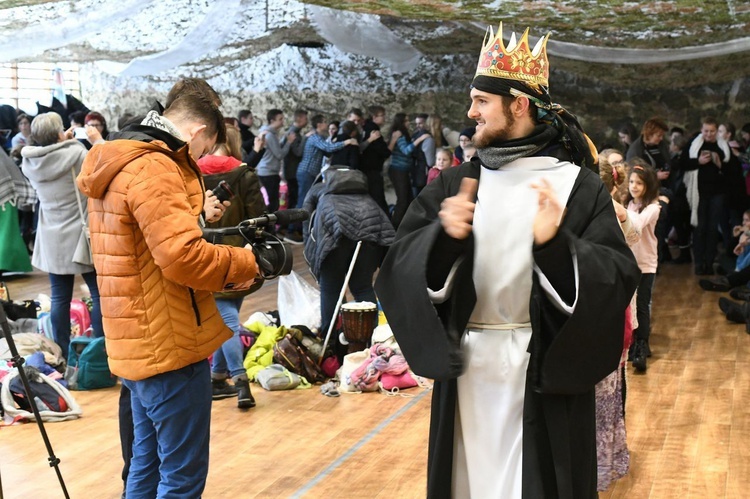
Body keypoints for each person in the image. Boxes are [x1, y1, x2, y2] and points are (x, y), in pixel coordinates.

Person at [374, 23, 640, 498]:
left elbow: (616, 279)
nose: (470, 111)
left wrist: (557, 248)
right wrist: (444, 244)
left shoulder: (579, 188)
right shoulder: (454, 185)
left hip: (544, 378)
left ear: (519, 104)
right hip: (469, 374)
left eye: (482, 101)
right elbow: (397, 268)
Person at [77, 83, 259, 498]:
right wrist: (249, 262)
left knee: (147, 463)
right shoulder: (154, 166)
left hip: (138, 337)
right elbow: (183, 258)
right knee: (181, 476)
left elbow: (145, 248)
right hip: (168, 341)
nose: (196, 161)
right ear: (196, 133)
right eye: (202, 151)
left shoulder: (121, 157)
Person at [21, 112, 104, 359]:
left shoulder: (30, 162)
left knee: (59, 298)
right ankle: (100, 350)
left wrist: (59, 141)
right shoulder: (77, 153)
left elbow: (51, 154)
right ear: (59, 133)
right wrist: (79, 142)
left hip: (51, 236)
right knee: (98, 292)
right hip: (81, 233)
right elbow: (100, 170)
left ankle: (63, 354)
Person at [198, 126, 265, 409]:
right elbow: (258, 219)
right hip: (240, 255)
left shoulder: (193, 171)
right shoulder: (246, 175)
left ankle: (216, 379)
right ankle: (241, 383)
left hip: (205, 253)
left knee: (228, 318)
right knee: (229, 320)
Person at [302, 166, 395, 350]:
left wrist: (310, 250)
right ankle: (370, 339)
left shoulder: (317, 189)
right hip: (368, 237)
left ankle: (333, 342)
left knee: (331, 289)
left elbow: (306, 218)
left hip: (334, 240)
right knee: (362, 287)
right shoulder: (363, 193)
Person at [595, 151, 639, 491]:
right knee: (612, 391)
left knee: (607, 392)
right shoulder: (618, 212)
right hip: (618, 308)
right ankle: (611, 455)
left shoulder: (609, 213)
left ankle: (603, 460)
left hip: (611, 310)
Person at [624, 161, 661, 373]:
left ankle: (642, 344)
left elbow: (637, 223)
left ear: (648, 185)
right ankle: (631, 342)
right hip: (629, 262)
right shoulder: (628, 205)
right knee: (630, 305)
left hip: (646, 263)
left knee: (643, 304)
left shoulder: (653, 208)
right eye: (631, 182)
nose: (634, 186)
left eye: (639, 182)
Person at [256, 109, 296, 214]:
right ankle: (270, 228)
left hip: (266, 171)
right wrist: (289, 142)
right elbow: (279, 155)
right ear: (272, 120)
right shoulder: (270, 135)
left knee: (270, 202)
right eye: (280, 119)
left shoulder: (270, 133)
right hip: (269, 172)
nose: (283, 121)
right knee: (273, 203)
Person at [359, 106, 390, 213]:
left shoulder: (366, 128)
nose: (384, 118)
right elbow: (383, 151)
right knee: (378, 198)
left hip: (368, 168)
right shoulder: (373, 130)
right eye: (382, 115)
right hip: (372, 169)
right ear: (374, 117)